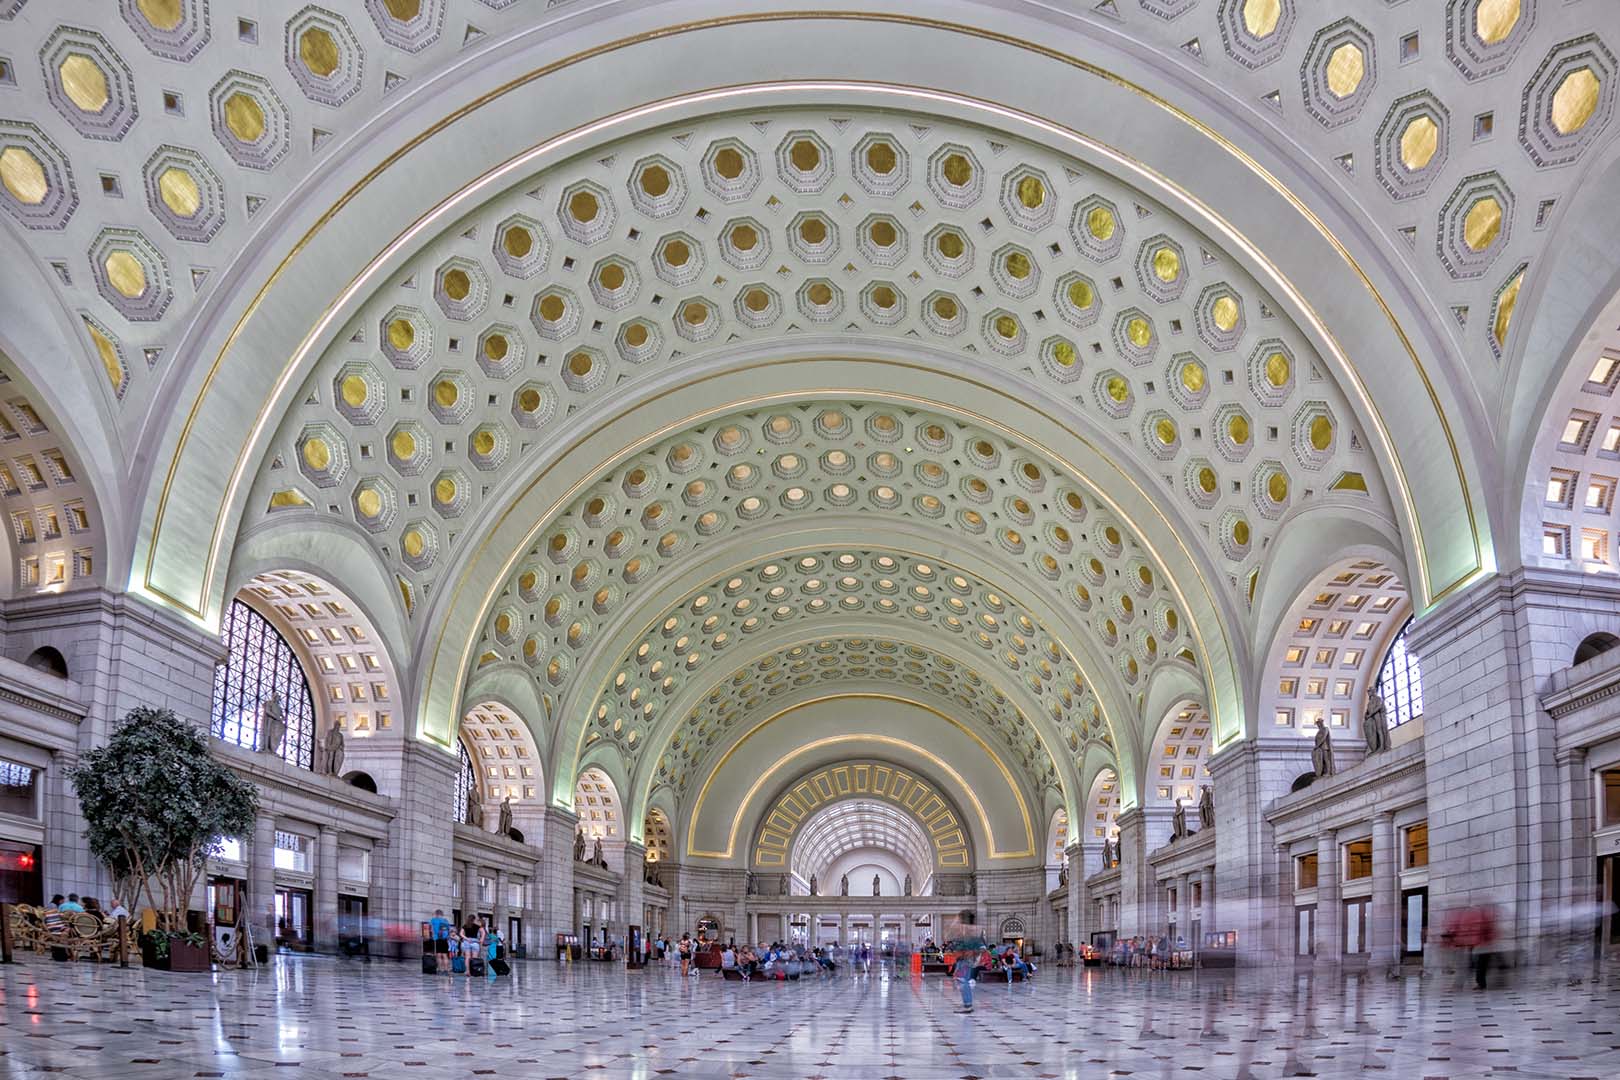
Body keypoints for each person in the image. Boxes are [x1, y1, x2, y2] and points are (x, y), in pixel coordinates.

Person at [428, 908, 453, 973]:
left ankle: (440, 968)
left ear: (436, 914)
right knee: (444, 955)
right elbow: (449, 930)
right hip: (445, 939)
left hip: (437, 939)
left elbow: (431, 930)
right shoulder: (446, 921)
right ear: (442, 914)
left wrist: (432, 936)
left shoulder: (433, 920)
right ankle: (446, 969)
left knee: (438, 955)